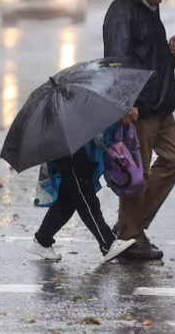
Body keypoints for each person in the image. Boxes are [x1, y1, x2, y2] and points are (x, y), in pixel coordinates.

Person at [102, 0, 175, 261]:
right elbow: (117, 62)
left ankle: (129, 225)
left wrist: (172, 53)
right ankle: (130, 236)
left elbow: (148, 55)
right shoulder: (122, 11)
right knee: (137, 173)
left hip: (161, 104)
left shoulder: (150, 7)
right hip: (139, 107)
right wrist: (124, 104)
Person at [27, 112, 139, 263]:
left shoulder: (70, 98)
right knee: (86, 198)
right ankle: (108, 243)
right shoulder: (65, 100)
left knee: (67, 201)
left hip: (76, 145)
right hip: (70, 149)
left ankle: (42, 240)